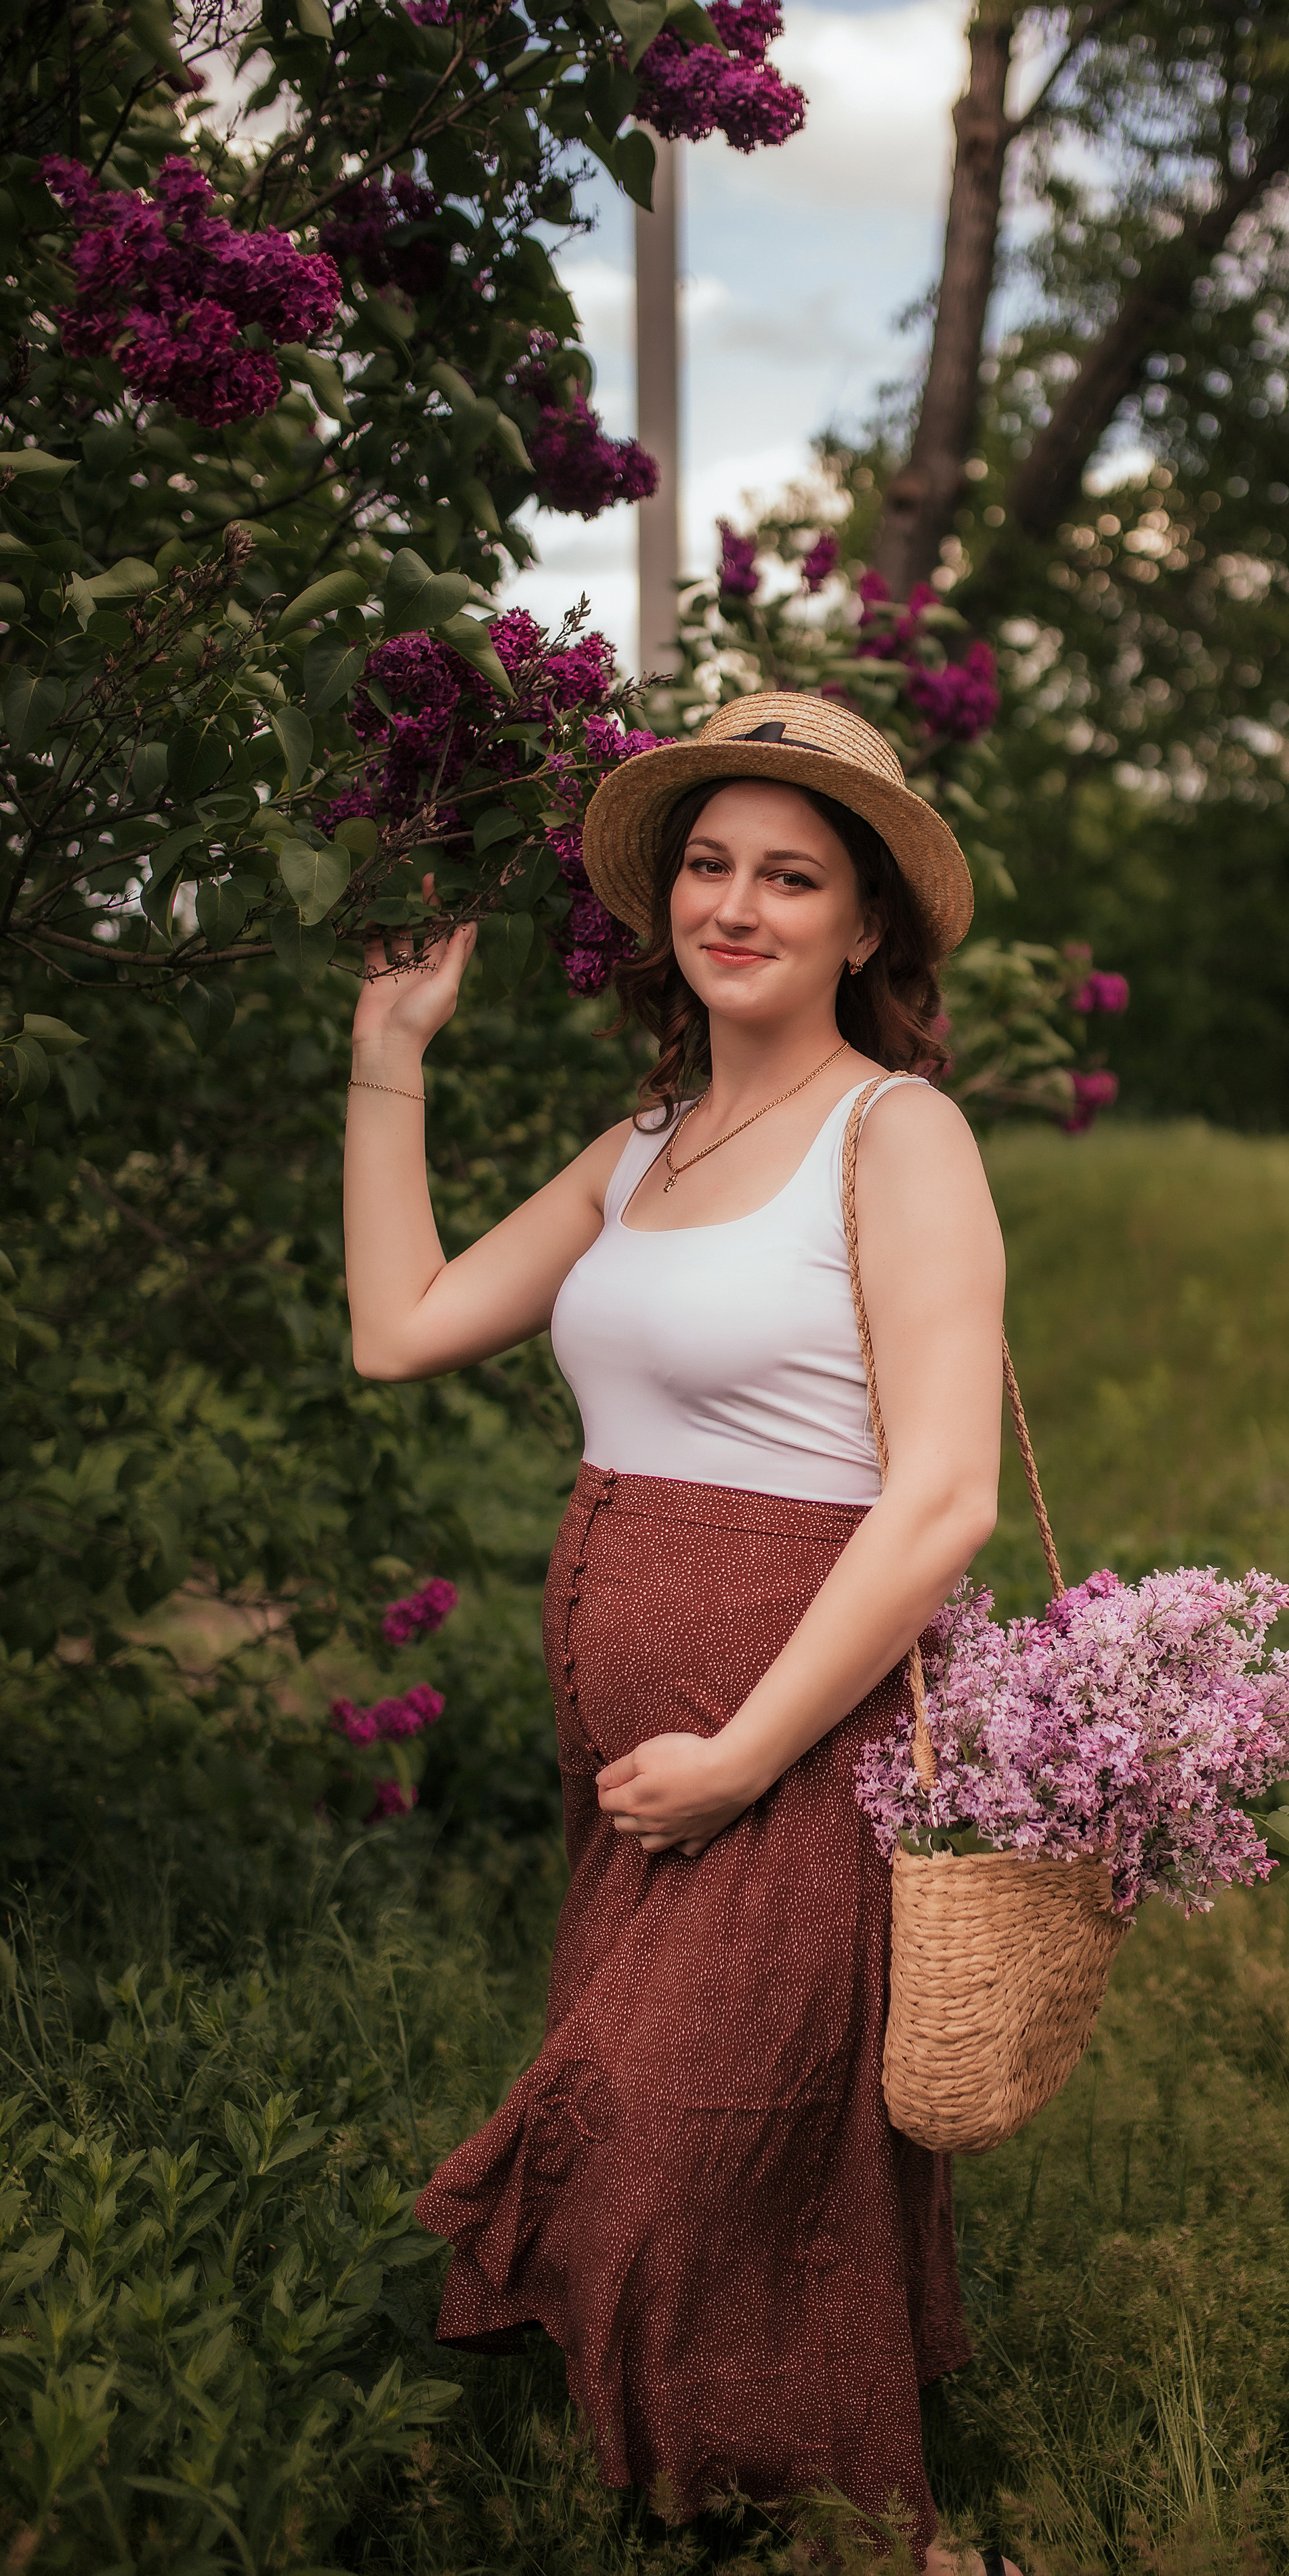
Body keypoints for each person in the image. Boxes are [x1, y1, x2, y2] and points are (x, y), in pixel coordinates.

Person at [342, 692, 1021, 2575]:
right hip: (634, 1753)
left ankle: (860, 2531)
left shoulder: (899, 1137)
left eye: (791, 876)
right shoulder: (641, 1151)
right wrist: (389, 1055)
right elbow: (398, 1324)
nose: (739, 904)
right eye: (711, 866)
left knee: (663, 2136)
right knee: (724, 2148)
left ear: (863, 927)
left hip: (797, 1729)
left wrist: (746, 1753)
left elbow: (945, 1497)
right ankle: (713, 2512)